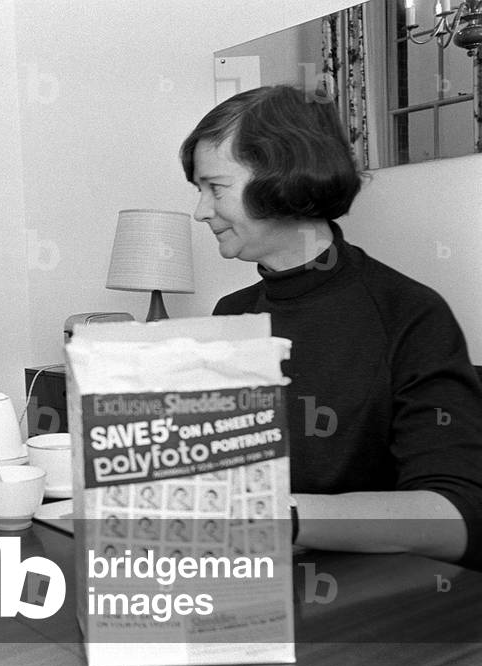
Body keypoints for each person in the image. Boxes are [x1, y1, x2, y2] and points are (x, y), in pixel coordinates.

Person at [180, 85, 482, 568]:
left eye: (215, 188)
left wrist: (279, 518)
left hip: (368, 606)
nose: (200, 211)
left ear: (286, 178)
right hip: (244, 580)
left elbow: (458, 516)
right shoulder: (231, 314)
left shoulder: (410, 314)